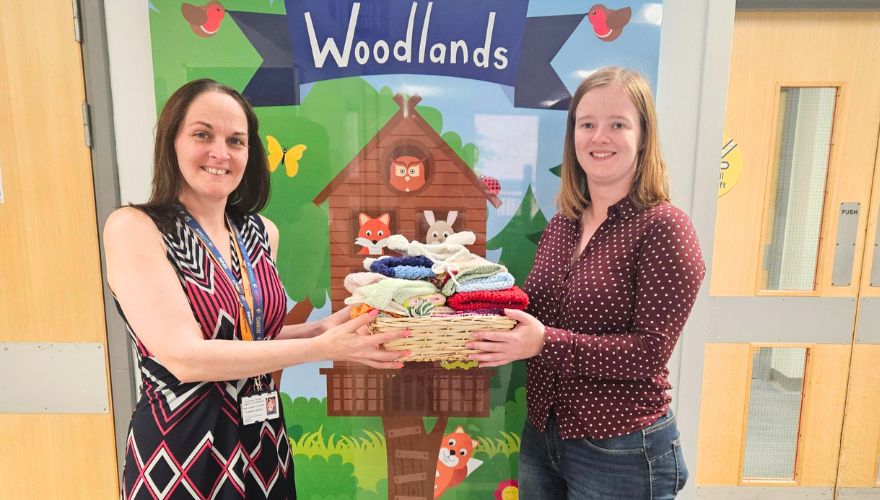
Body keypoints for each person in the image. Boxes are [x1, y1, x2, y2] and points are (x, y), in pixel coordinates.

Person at [104, 79, 409, 499]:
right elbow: (186, 356)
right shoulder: (136, 228)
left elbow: (249, 337)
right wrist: (325, 347)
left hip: (265, 442)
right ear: (171, 141)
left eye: (236, 140)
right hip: (182, 448)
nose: (220, 153)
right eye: (202, 134)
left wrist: (329, 328)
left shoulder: (261, 233)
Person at [467, 67, 705, 499]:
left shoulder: (665, 228)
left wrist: (544, 343)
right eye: (587, 124)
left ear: (644, 136)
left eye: (618, 124)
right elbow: (534, 314)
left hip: (621, 446)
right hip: (544, 436)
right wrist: (461, 304)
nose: (600, 137)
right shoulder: (563, 225)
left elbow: (649, 353)